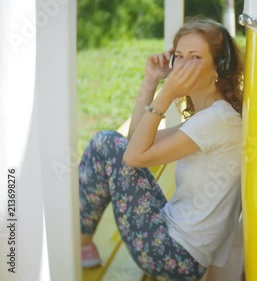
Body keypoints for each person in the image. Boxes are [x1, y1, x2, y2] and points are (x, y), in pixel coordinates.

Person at [78, 18, 244, 281]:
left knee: (106, 143)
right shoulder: (213, 116)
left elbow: (131, 157)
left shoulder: (216, 121)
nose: (183, 65)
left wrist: (166, 95)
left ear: (220, 67)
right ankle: (82, 240)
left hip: (176, 257)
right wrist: (151, 80)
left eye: (195, 57)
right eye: (179, 56)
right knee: (113, 144)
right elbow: (134, 142)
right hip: (174, 241)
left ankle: (81, 241)